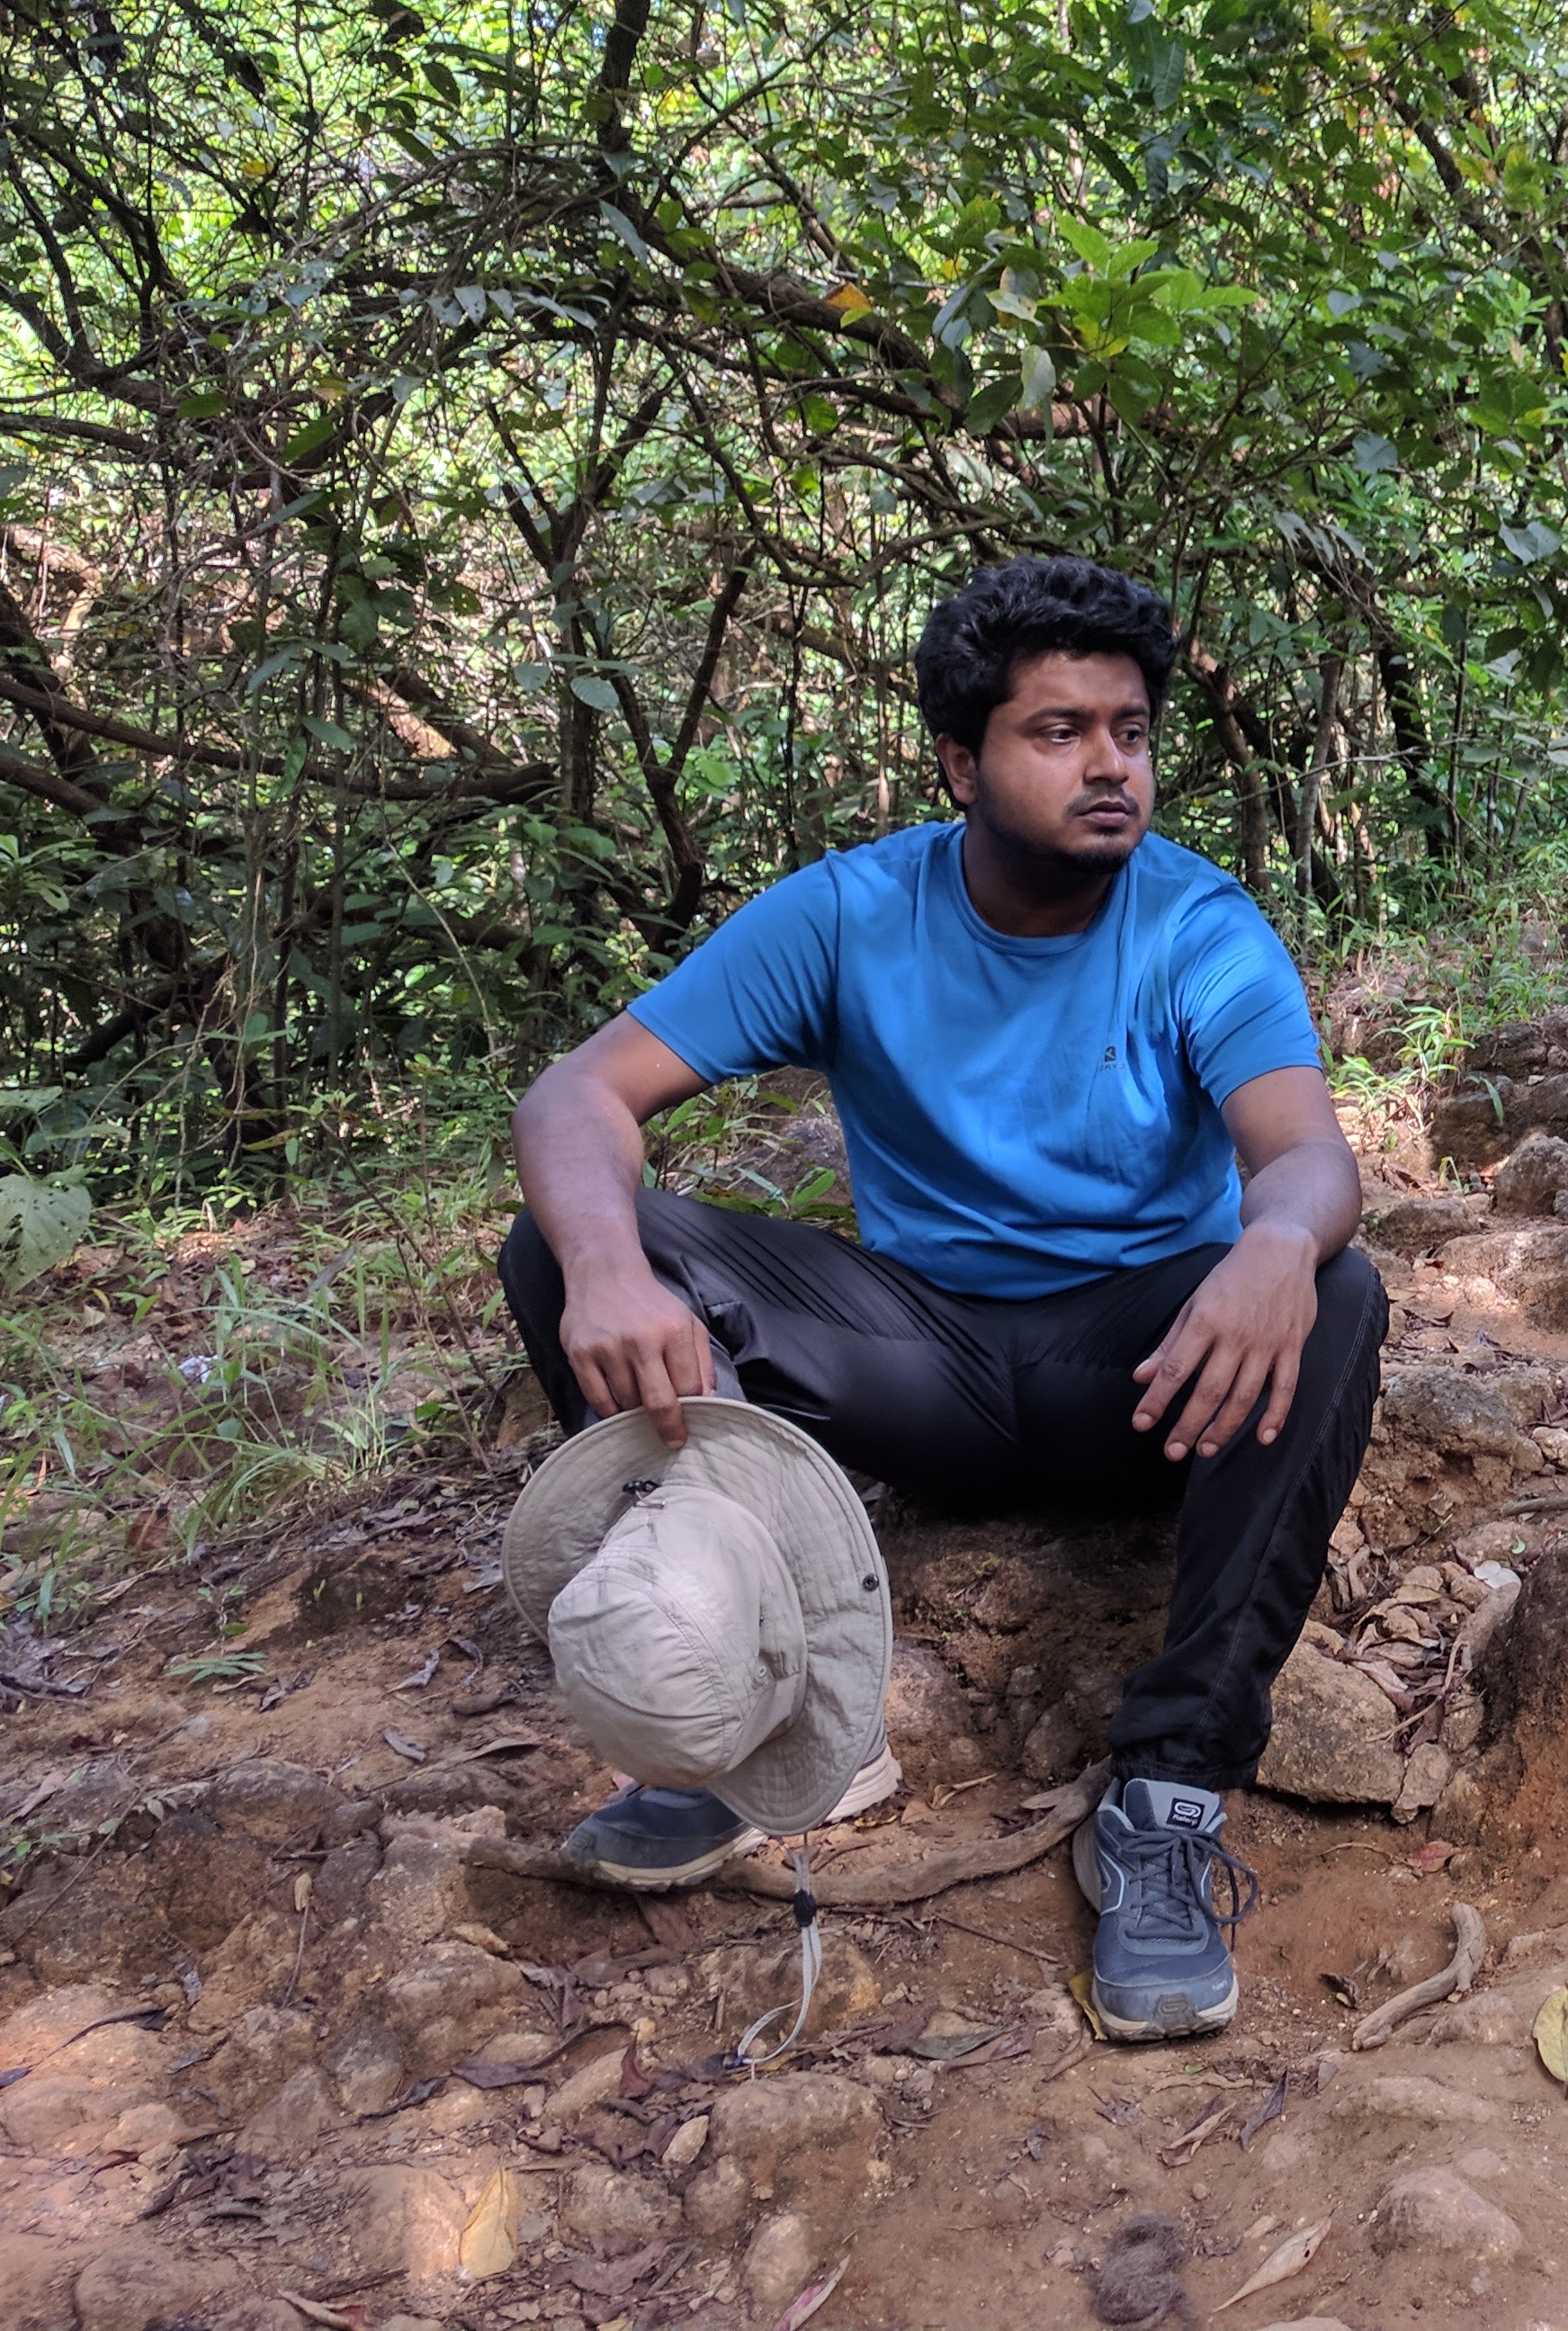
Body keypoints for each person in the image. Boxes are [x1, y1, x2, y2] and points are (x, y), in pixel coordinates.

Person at [497, 555, 1382, 2038]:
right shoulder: (853, 915)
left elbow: (1302, 1156)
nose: (1112, 766)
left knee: (1338, 1288)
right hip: (923, 1360)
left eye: (1133, 730)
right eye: (1060, 732)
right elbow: (579, 1095)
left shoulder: (1193, 922)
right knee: (566, 1243)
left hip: (1144, 1375)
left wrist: (1274, 1250)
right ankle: (773, 1701)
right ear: (962, 760)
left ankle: (1166, 1794)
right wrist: (601, 1266)